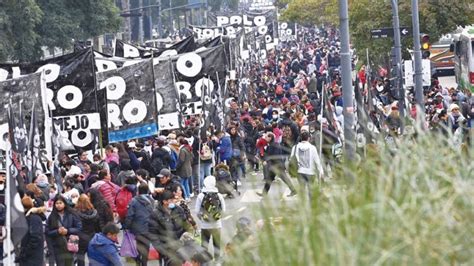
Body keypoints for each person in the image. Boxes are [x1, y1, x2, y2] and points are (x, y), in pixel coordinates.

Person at [195, 175, 226, 261]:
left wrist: (202, 218)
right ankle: (217, 261)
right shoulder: (219, 195)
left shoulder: (201, 196)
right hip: (217, 225)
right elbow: (223, 210)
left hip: (205, 226)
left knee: (204, 245)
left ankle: (205, 261)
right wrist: (217, 218)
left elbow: (197, 211)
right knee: (217, 245)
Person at [256, 132, 297, 197]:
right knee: (269, 180)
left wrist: (267, 160)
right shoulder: (272, 145)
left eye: (266, 137)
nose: (265, 138)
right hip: (275, 165)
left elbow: (273, 155)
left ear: (270, 138)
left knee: (284, 179)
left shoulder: (274, 145)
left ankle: (293, 190)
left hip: (277, 165)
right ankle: (264, 193)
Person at [46, 195, 82, 266]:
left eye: (60, 203)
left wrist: (68, 231)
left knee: (69, 263)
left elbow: (79, 228)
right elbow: (48, 231)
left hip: (70, 244)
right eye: (57, 203)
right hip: (58, 246)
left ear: (64, 204)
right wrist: (57, 231)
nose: (58, 205)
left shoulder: (72, 214)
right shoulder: (52, 216)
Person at [149, 191, 183, 266]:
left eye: (173, 199)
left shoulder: (178, 210)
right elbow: (152, 233)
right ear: (164, 201)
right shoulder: (156, 214)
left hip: (179, 247)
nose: (173, 201)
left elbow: (185, 225)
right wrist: (160, 249)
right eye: (171, 200)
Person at [124, 184, 154, 266]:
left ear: (138, 191)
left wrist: (126, 226)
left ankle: (138, 261)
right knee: (146, 246)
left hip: (137, 228)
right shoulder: (151, 200)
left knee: (138, 245)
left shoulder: (133, 201)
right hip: (148, 228)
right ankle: (144, 263)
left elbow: (130, 215)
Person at [290, 131, 324, 199]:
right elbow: (317, 161)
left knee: (302, 189)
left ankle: (302, 206)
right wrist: (321, 172)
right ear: (309, 138)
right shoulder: (312, 148)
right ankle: (311, 206)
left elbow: (291, 158)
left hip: (300, 171)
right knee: (311, 190)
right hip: (310, 172)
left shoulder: (295, 147)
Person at [16, 196, 44, 266]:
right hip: (30, 256)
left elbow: (35, 237)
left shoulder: (33, 218)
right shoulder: (30, 217)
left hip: (32, 257)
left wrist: (24, 253)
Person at [75, 194, 101, 266]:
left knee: (80, 256)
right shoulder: (95, 212)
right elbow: (98, 225)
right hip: (92, 236)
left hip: (81, 237)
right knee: (92, 256)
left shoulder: (76, 213)